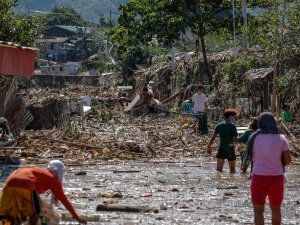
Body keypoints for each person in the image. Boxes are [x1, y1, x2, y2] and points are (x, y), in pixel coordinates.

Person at [0, 160, 86, 225]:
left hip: (8, 186)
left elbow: (36, 191)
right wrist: (76, 217)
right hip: (26, 185)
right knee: (35, 213)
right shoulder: (52, 178)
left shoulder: (38, 172)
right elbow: (63, 199)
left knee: (9, 216)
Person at [244, 112, 291, 225]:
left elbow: (249, 157)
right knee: (276, 209)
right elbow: (288, 160)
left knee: (258, 211)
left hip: (258, 177)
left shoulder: (253, 138)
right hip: (276, 178)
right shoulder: (281, 138)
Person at [207, 109, 238, 173]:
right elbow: (235, 140)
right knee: (232, 171)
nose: (234, 118)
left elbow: (213, 138)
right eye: (233, 116)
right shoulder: (233, 126)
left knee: (218, 171)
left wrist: (209, 146)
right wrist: (234, 144)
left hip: (221, 149)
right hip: (230, 149)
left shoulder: (219, 125)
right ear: (230, 116)